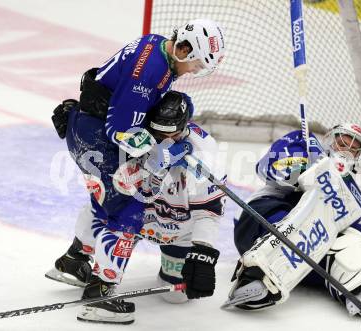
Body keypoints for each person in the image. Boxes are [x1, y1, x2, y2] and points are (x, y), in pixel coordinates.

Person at [47, 91, 226, 324]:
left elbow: (208, 212)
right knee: (109, 202)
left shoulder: (205, 154)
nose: (161, 139)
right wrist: (78, 114)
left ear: (183, 128)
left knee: (177, 296)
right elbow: (117, 181)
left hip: (176, 228)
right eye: (156, 133)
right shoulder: (136, 132)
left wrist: (203, 252)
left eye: (168, 134)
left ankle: (160, 265)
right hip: (140, 215)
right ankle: (80, 261)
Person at [224, 124, 361, 318]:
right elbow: (265, 168)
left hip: (308, 258)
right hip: (263, 219)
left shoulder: (353, 196)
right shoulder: (303, 142)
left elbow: (346, 236)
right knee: (302, 220)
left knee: (348, 242)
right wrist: (304, 168)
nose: (346, 150)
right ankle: (254, 277)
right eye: (342, 142)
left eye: (353, 148)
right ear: (329, 139)